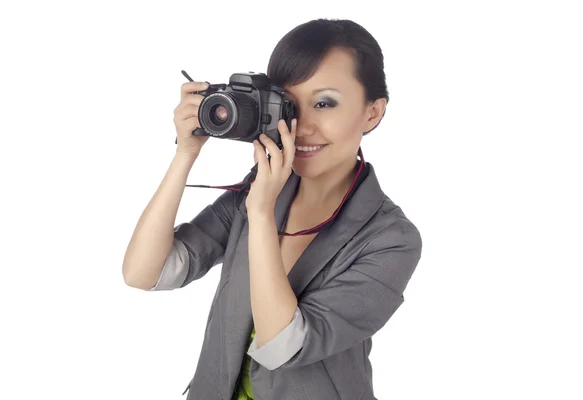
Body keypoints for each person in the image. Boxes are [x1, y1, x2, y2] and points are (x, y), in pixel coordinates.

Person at [122, 18, 423, 400]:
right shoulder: (258, 190)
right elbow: (144, 272)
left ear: (373, 112)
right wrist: (186, 152)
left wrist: (262, 215)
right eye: (291, 105)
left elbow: (285, 345)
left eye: (324, 103)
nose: (302, 126)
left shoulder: (391, 239)